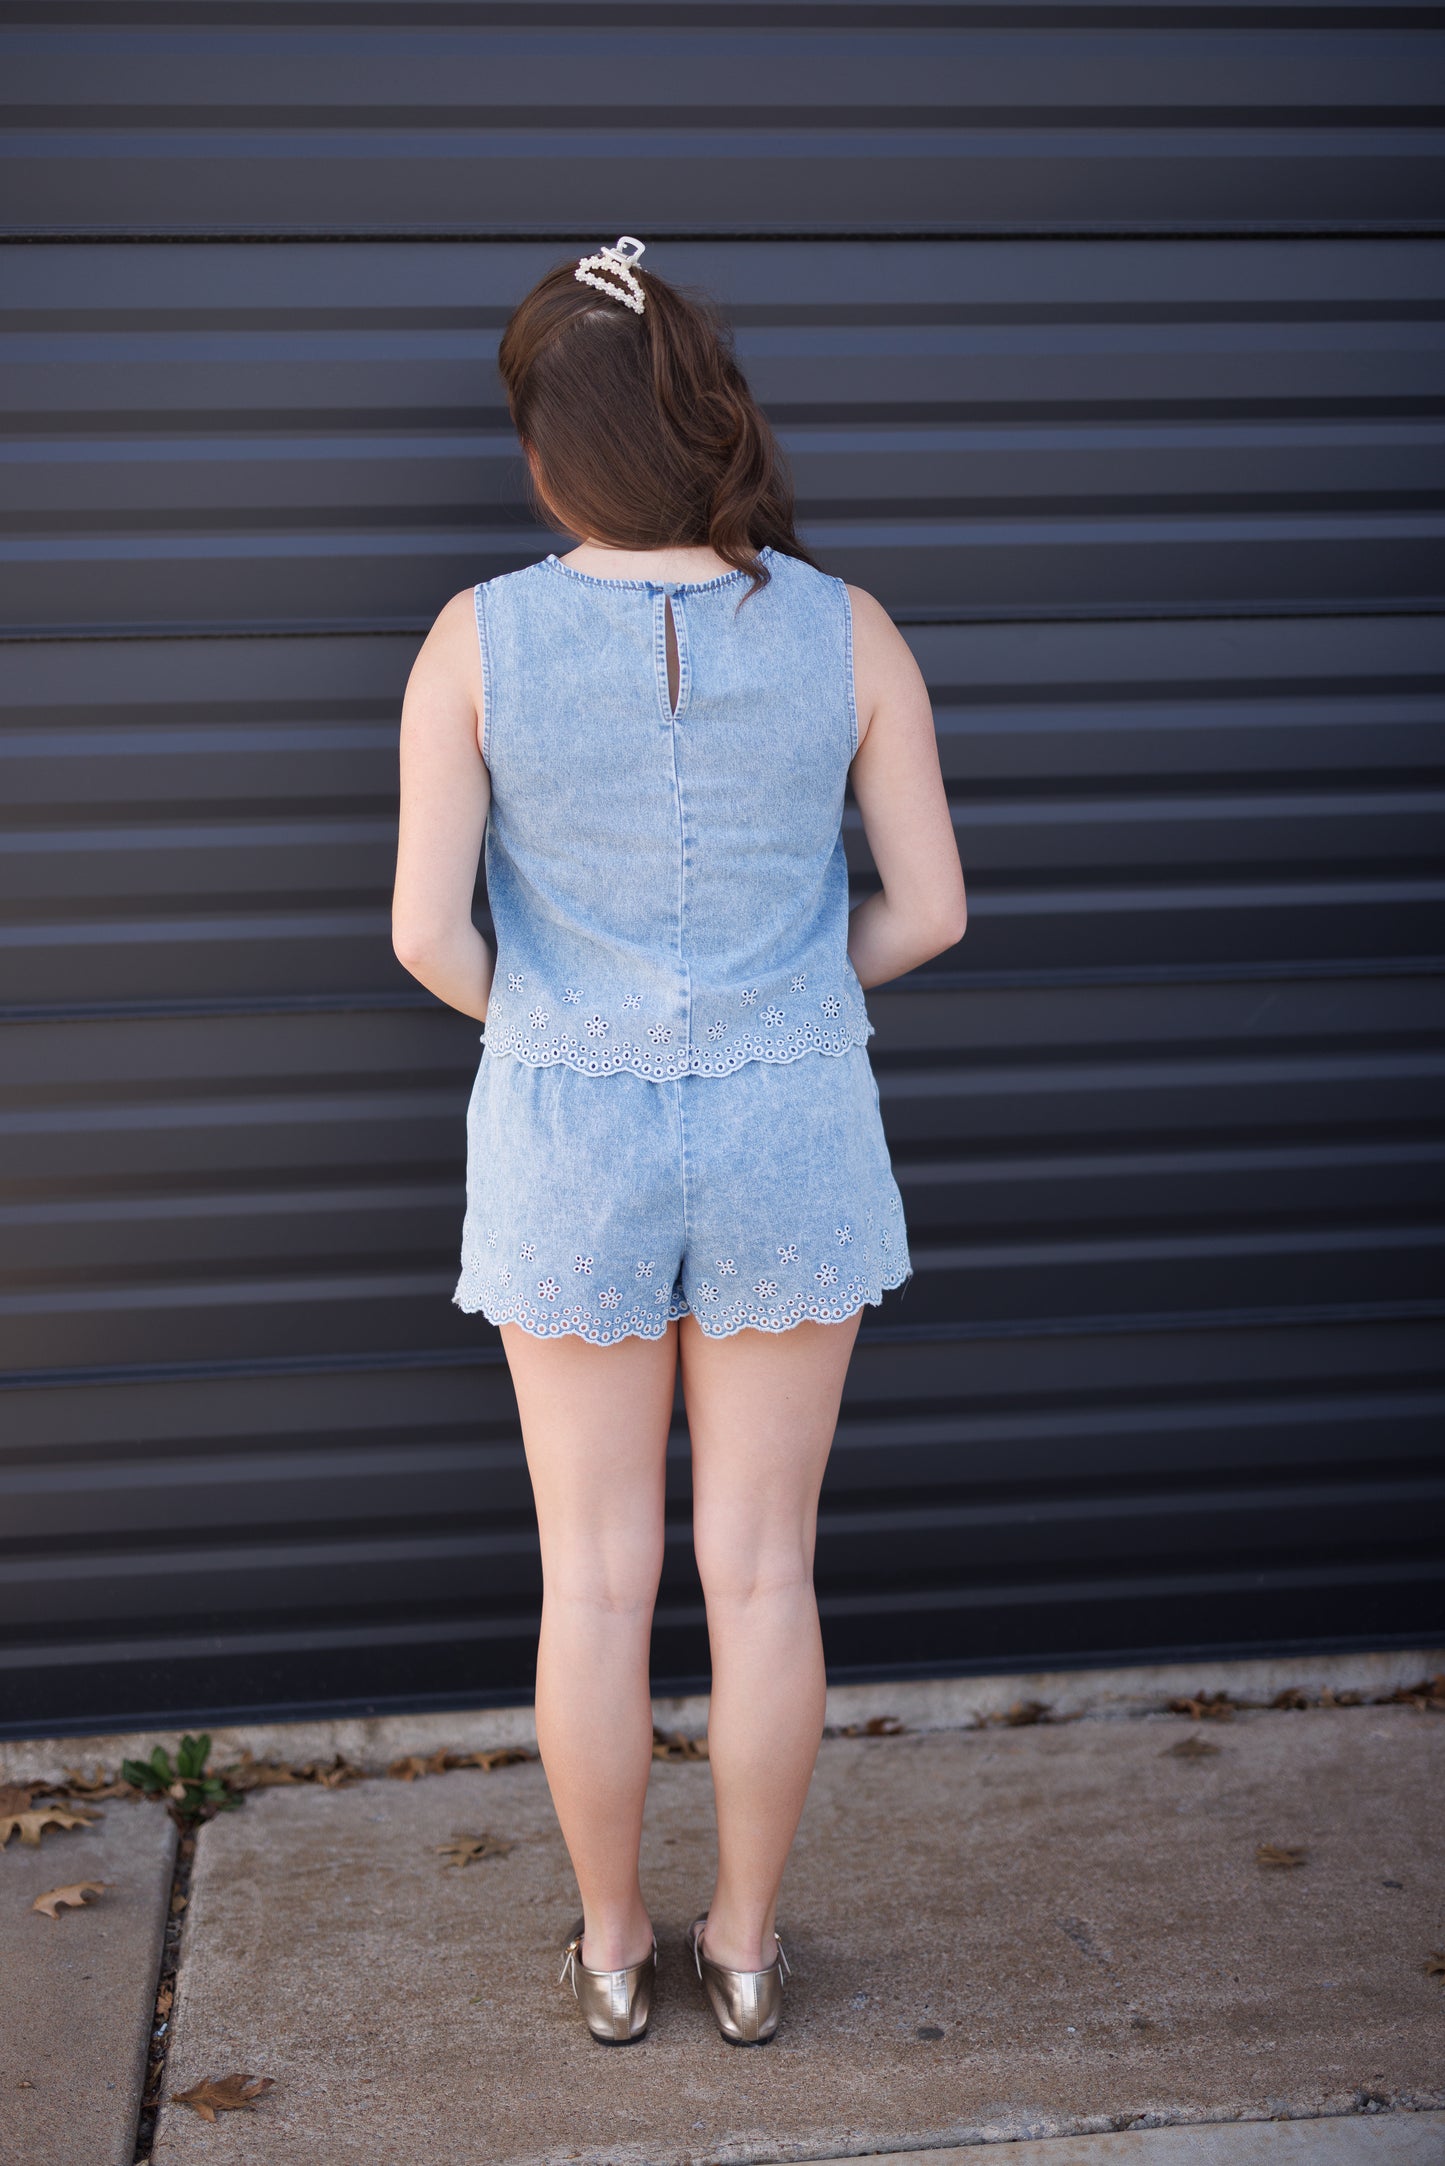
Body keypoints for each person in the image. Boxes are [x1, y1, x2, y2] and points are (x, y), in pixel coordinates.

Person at [391, 238, 967, 2048]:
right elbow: (931, 911)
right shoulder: (844, 623)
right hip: (793, 1112)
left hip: (569, 1123)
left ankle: (612, 1948)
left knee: (594, 1570)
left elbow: (425, 935)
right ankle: (742, 1947)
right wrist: (785, 987)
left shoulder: (473, 636)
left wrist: (571, 1023)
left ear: (554, 449)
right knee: (766, 1565)